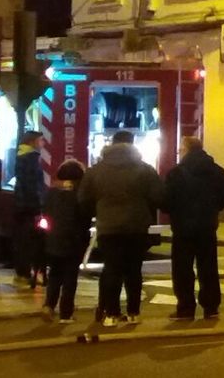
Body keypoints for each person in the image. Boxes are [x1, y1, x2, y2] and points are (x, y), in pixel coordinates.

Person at [79, 130, 164, 327]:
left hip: (108, 227)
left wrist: (99, 212)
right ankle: (133, 312)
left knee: (112, 269)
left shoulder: (96, 170)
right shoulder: (145, 170)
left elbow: (83, 200)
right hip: (136, 227)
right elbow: (159, 197)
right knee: (134, 270)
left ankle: (112, 313)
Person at [162, 136, 224, 321]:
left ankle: (185, 308)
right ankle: (211, 307)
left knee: (182, 269)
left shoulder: (176, 173)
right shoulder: (217, 171)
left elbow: (166, 200)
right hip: (207, 226)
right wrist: (212, 210)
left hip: (183, 227)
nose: (179, 153)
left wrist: (175, 211)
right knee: (208, 267)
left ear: (186, 150)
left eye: (180, 150)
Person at [41, 159, 90, 323]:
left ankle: (48, 305)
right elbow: (85, 216)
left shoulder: (52, 192)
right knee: (70, 277)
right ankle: (66, 313)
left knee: (54, 274)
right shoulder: (80, 194)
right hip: (74, 240)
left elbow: (45, 213)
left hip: (53, 238)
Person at [12, 131, 47, 288]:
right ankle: (28, 272)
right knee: (31, 240)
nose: (43, 144)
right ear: (33, 142)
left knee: (21, 239)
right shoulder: (31, 158)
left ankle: (21, 272)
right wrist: (40, 206)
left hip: (20, 205)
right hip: (30, 206)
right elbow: (34, 185)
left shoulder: (19, 155)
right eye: (40, 140)